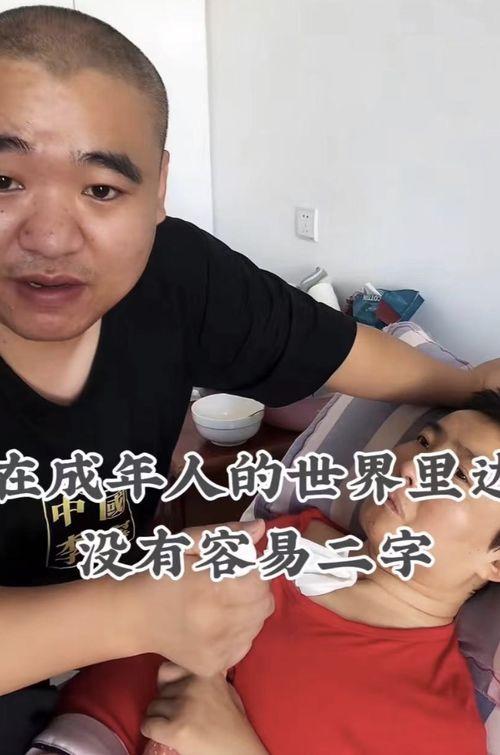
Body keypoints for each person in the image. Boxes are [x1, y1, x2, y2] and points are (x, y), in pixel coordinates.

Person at [0, 4, 499, 752]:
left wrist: (466, 388)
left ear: (160, 187)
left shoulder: (179, 277)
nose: (48, 237)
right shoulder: (281, 542)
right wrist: (133, 622)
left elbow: (335, 348)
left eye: (100, 188)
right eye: (3, 179)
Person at [30, 390, 500, 755]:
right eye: (424, 441)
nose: (413, 465)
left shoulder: (442, 728)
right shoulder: (276, 538)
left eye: (460, 474)